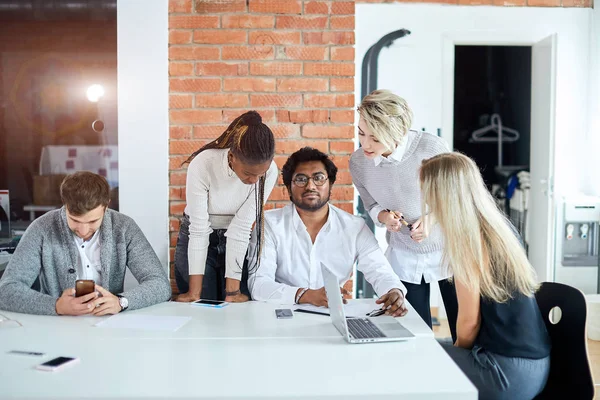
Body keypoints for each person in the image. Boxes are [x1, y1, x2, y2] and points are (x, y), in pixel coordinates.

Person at [420, 152, 550, 399]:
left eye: (427, 190)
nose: (425, 198)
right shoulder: (499, 230)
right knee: (434, 353)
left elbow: (469, 323)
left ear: (442, 194)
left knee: (421, 361)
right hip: (534, 366)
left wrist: (454, 361)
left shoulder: (470, 243)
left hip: (506, 372)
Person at [350, 89, 457, 339]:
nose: (365, 144)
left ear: (396, 133)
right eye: (361, 133)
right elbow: (370, 203)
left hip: (448, 250)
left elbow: (454, 195)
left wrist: (431, 219)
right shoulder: (358, 162)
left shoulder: (431, 147)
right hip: (403, 255)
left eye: (375, 138)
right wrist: (383, 217)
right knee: (412, 329)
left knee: (460, 322)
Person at [249, 147, 407, 316]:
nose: (310, 186)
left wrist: (393, 291)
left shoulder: (354, 227)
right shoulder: (269, 225)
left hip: (332, 318)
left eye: (319, 178)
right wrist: (306, 295)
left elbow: (379, 270)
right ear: (289, 188)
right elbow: (258, 285)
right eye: (301, 179)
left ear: (330, 184)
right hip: (280, 317)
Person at [0, 171, 171, 316]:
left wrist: (121, 302)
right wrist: (56, 305)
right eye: (74, 220)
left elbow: (160, 284)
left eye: (92, 221)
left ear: (106, 206)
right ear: (64, 205)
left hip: (109, 327)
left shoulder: (124, 227)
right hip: (55, 327)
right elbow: (6, 291)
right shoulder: (41, 228)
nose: (83, 230)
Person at [174, 111, 278, 303]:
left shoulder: (270, 171)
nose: (254, 180)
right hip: (197, 234)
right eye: (248, 173)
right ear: (232, 157)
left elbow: (242, 228)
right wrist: (194, 294)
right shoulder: (203, 164)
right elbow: (198, 230)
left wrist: (232, 293)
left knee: (235, 313)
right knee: (202, 308)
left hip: (237, 237)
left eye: (259, 175)